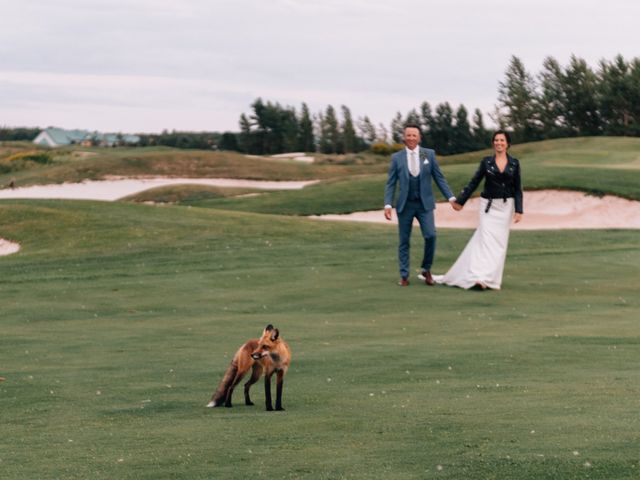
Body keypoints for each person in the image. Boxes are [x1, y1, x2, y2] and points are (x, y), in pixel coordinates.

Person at [433, 130, 523, 290]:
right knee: (485, 241)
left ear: (508, 144)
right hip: (488, 207)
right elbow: (474, 182)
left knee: (499, 245)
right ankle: (479, 278)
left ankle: (490, 279)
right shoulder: (486, 162)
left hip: (505, 208)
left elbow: (517, 189)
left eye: (502, 140)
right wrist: (460, 201)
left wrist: (519, 210)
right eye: (496, 140)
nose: (499, 143)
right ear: (493, 143)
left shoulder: (515, 163)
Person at [384, 123, 457, 286]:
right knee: (404, 240)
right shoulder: (397, 157)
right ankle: (404, 275)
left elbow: (439, 177)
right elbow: (390, 183)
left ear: (419, 138)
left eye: (414, 135)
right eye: (408, 135)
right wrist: (387, 204)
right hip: (405, 205)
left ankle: (426, 269)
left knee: (430, 235)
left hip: (425, 204)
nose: (411, 138)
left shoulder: (427, 155)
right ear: (404, 137)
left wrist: (451, 197)